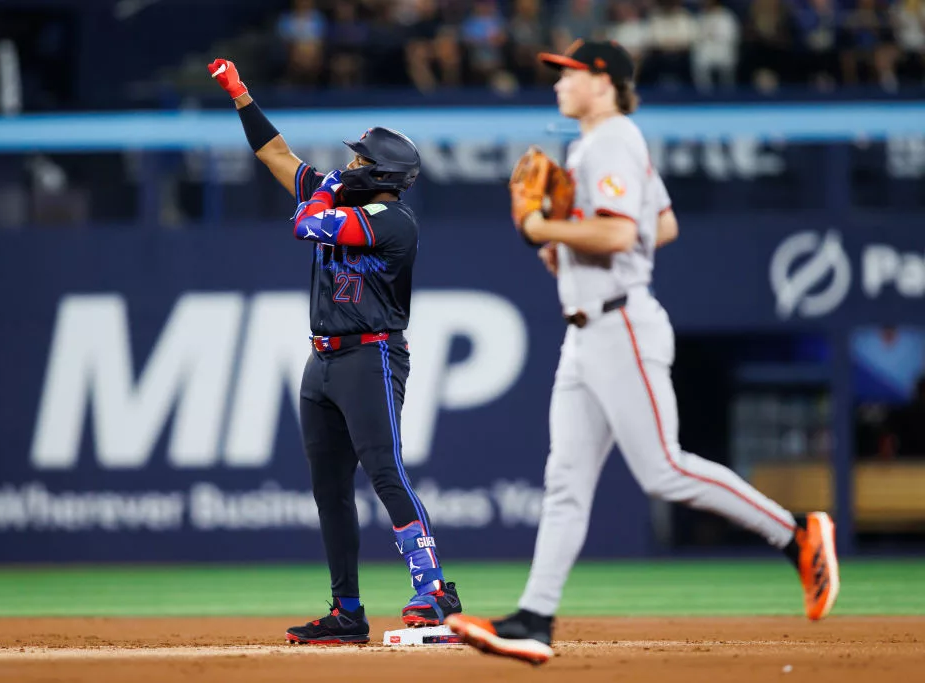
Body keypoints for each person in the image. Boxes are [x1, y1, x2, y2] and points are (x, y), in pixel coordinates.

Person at [444, 40, 840, 665]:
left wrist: (544, 229)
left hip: (620, 323)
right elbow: (663, 225)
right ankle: (534, 619)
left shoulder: (611, 140)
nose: (557, 84)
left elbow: (623, 232)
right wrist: (568, 247)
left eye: (569, 74)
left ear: (603, 81)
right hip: (586, 332)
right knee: (565, 482)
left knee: (663, 469)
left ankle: (796, 534)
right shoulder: (600, 144)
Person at [207, 57, 462, 644]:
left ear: (381, 174)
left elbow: (307, 226)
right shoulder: (342, 195)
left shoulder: (392, 219)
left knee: (385, 470)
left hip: (370, 355)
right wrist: (241, 95)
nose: (349, 164)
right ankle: (347, 612)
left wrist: (323, 188)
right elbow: (274, 155)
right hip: (321, 360)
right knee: (329, 488)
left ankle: (436, 593)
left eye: (360, 159)